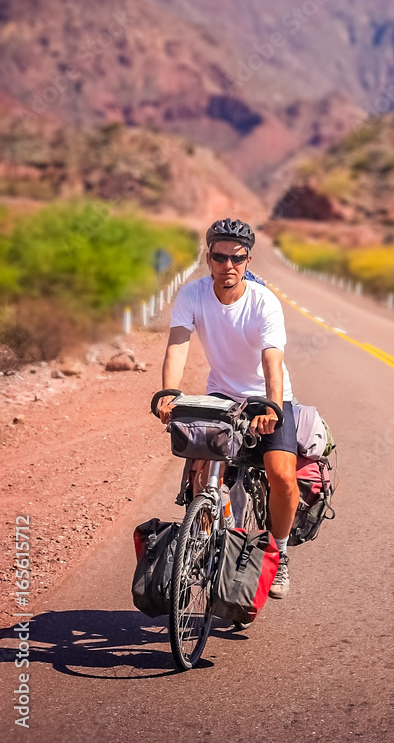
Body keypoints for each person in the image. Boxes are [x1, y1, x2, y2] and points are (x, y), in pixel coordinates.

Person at [156, 218, 299, 599]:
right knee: (204, 471)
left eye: (237, 258)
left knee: (281, 476)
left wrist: (271, 407)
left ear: (248, 260)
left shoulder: (264, 301)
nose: (228, 266)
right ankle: (206, 538)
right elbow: (177, 345)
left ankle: (279, 553)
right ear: (209, 258)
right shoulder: (192, 295)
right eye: (220, 257)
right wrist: (169, 392)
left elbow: (272, 359)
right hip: (221, 394)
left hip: (266, 396)